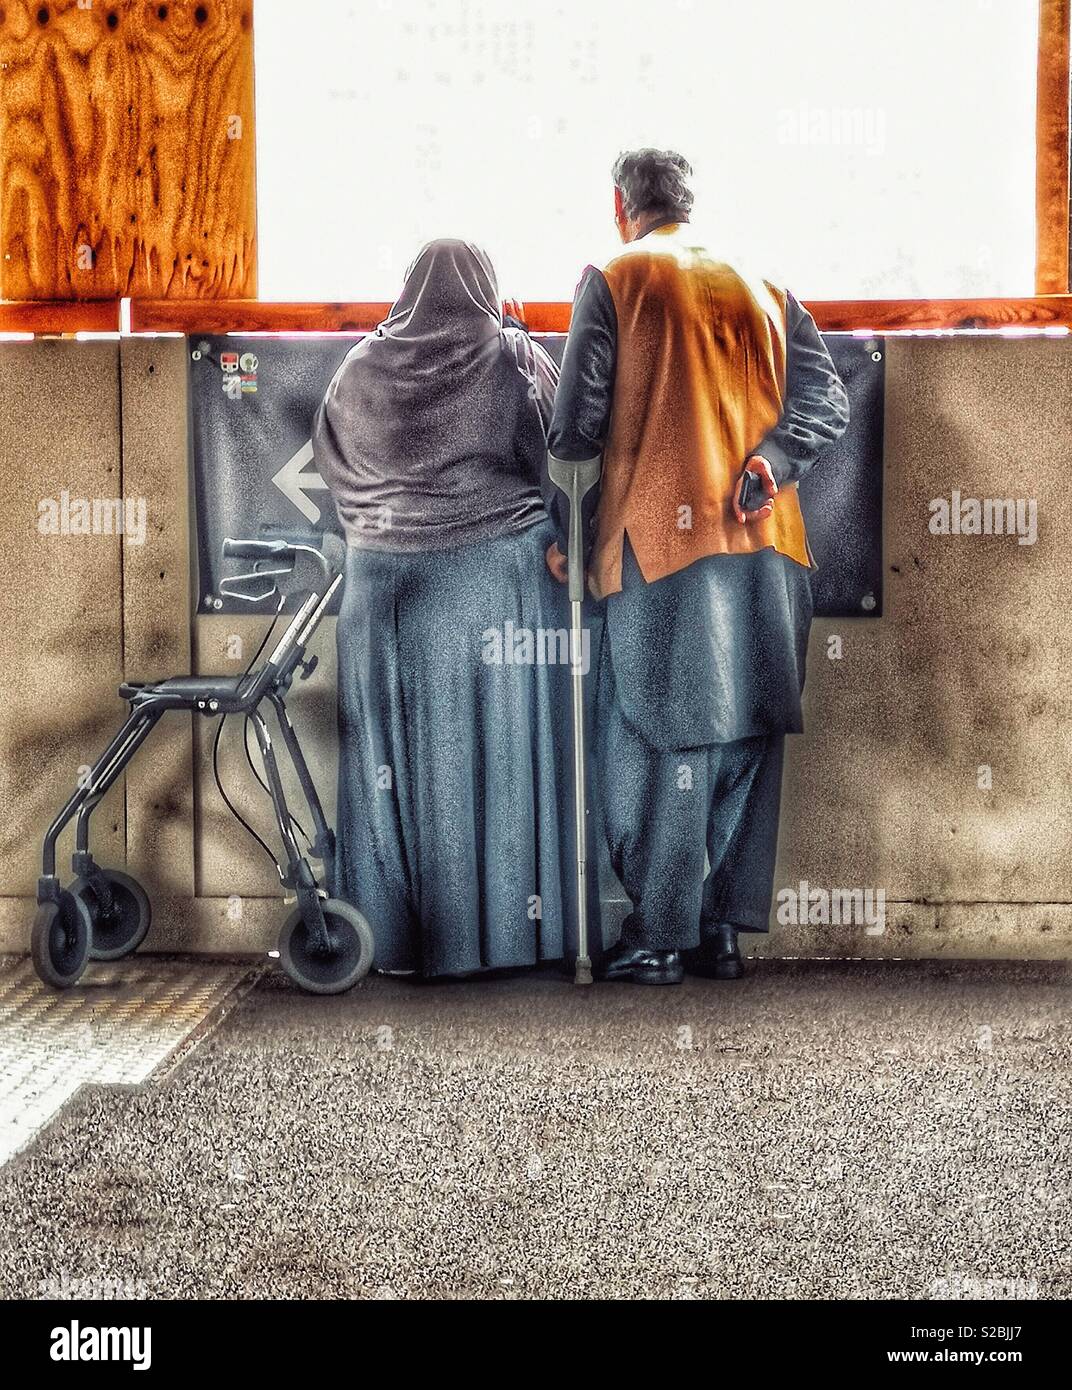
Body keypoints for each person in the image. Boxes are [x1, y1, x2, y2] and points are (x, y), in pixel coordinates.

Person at [546, 149, 850, 985]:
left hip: (661, 550)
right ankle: (720, 932)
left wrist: (566, 532)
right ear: (690, 202)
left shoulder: (615, 276)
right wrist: (773, 461)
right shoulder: (766, 283)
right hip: (771, 549)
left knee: (657, 743)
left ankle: (658, 937)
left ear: (621, 204)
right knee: (747, 736)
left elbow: (575, 429)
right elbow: (827, 400)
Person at [313, 238, 577, 977]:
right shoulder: (512, 357)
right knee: (495, 755)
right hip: (491, 586)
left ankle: (387, 941)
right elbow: (565, 454)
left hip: (377, 590)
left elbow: (331, 466)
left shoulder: (359, 366)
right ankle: (500, 940)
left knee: (384, 764)